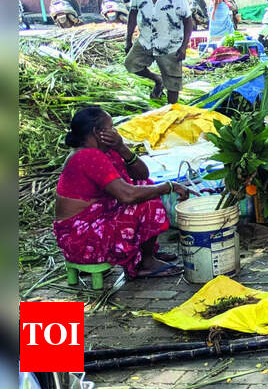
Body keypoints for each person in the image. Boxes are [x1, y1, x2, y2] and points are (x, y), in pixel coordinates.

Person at [54, 107, 193, 278]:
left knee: (145, 185)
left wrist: (122, 148)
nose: (115, 131)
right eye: (111, 127)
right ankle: (145, 264)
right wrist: (169, 186)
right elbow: (128, 195)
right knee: (147, 202)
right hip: (82, 241)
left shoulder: (104, 151)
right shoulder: (87, 156)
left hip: (93, 226)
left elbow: (142, 175)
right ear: (98, 133)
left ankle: (146, 253)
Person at [125, 0, 193, 104]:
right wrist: (128, 39)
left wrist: (184, 47)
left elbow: (188, 20)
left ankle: (170, 112)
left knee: (173, 84)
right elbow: (133, 13)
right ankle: (157, 79)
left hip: (170, 43)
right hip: (145, 41)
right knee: (130, 64)